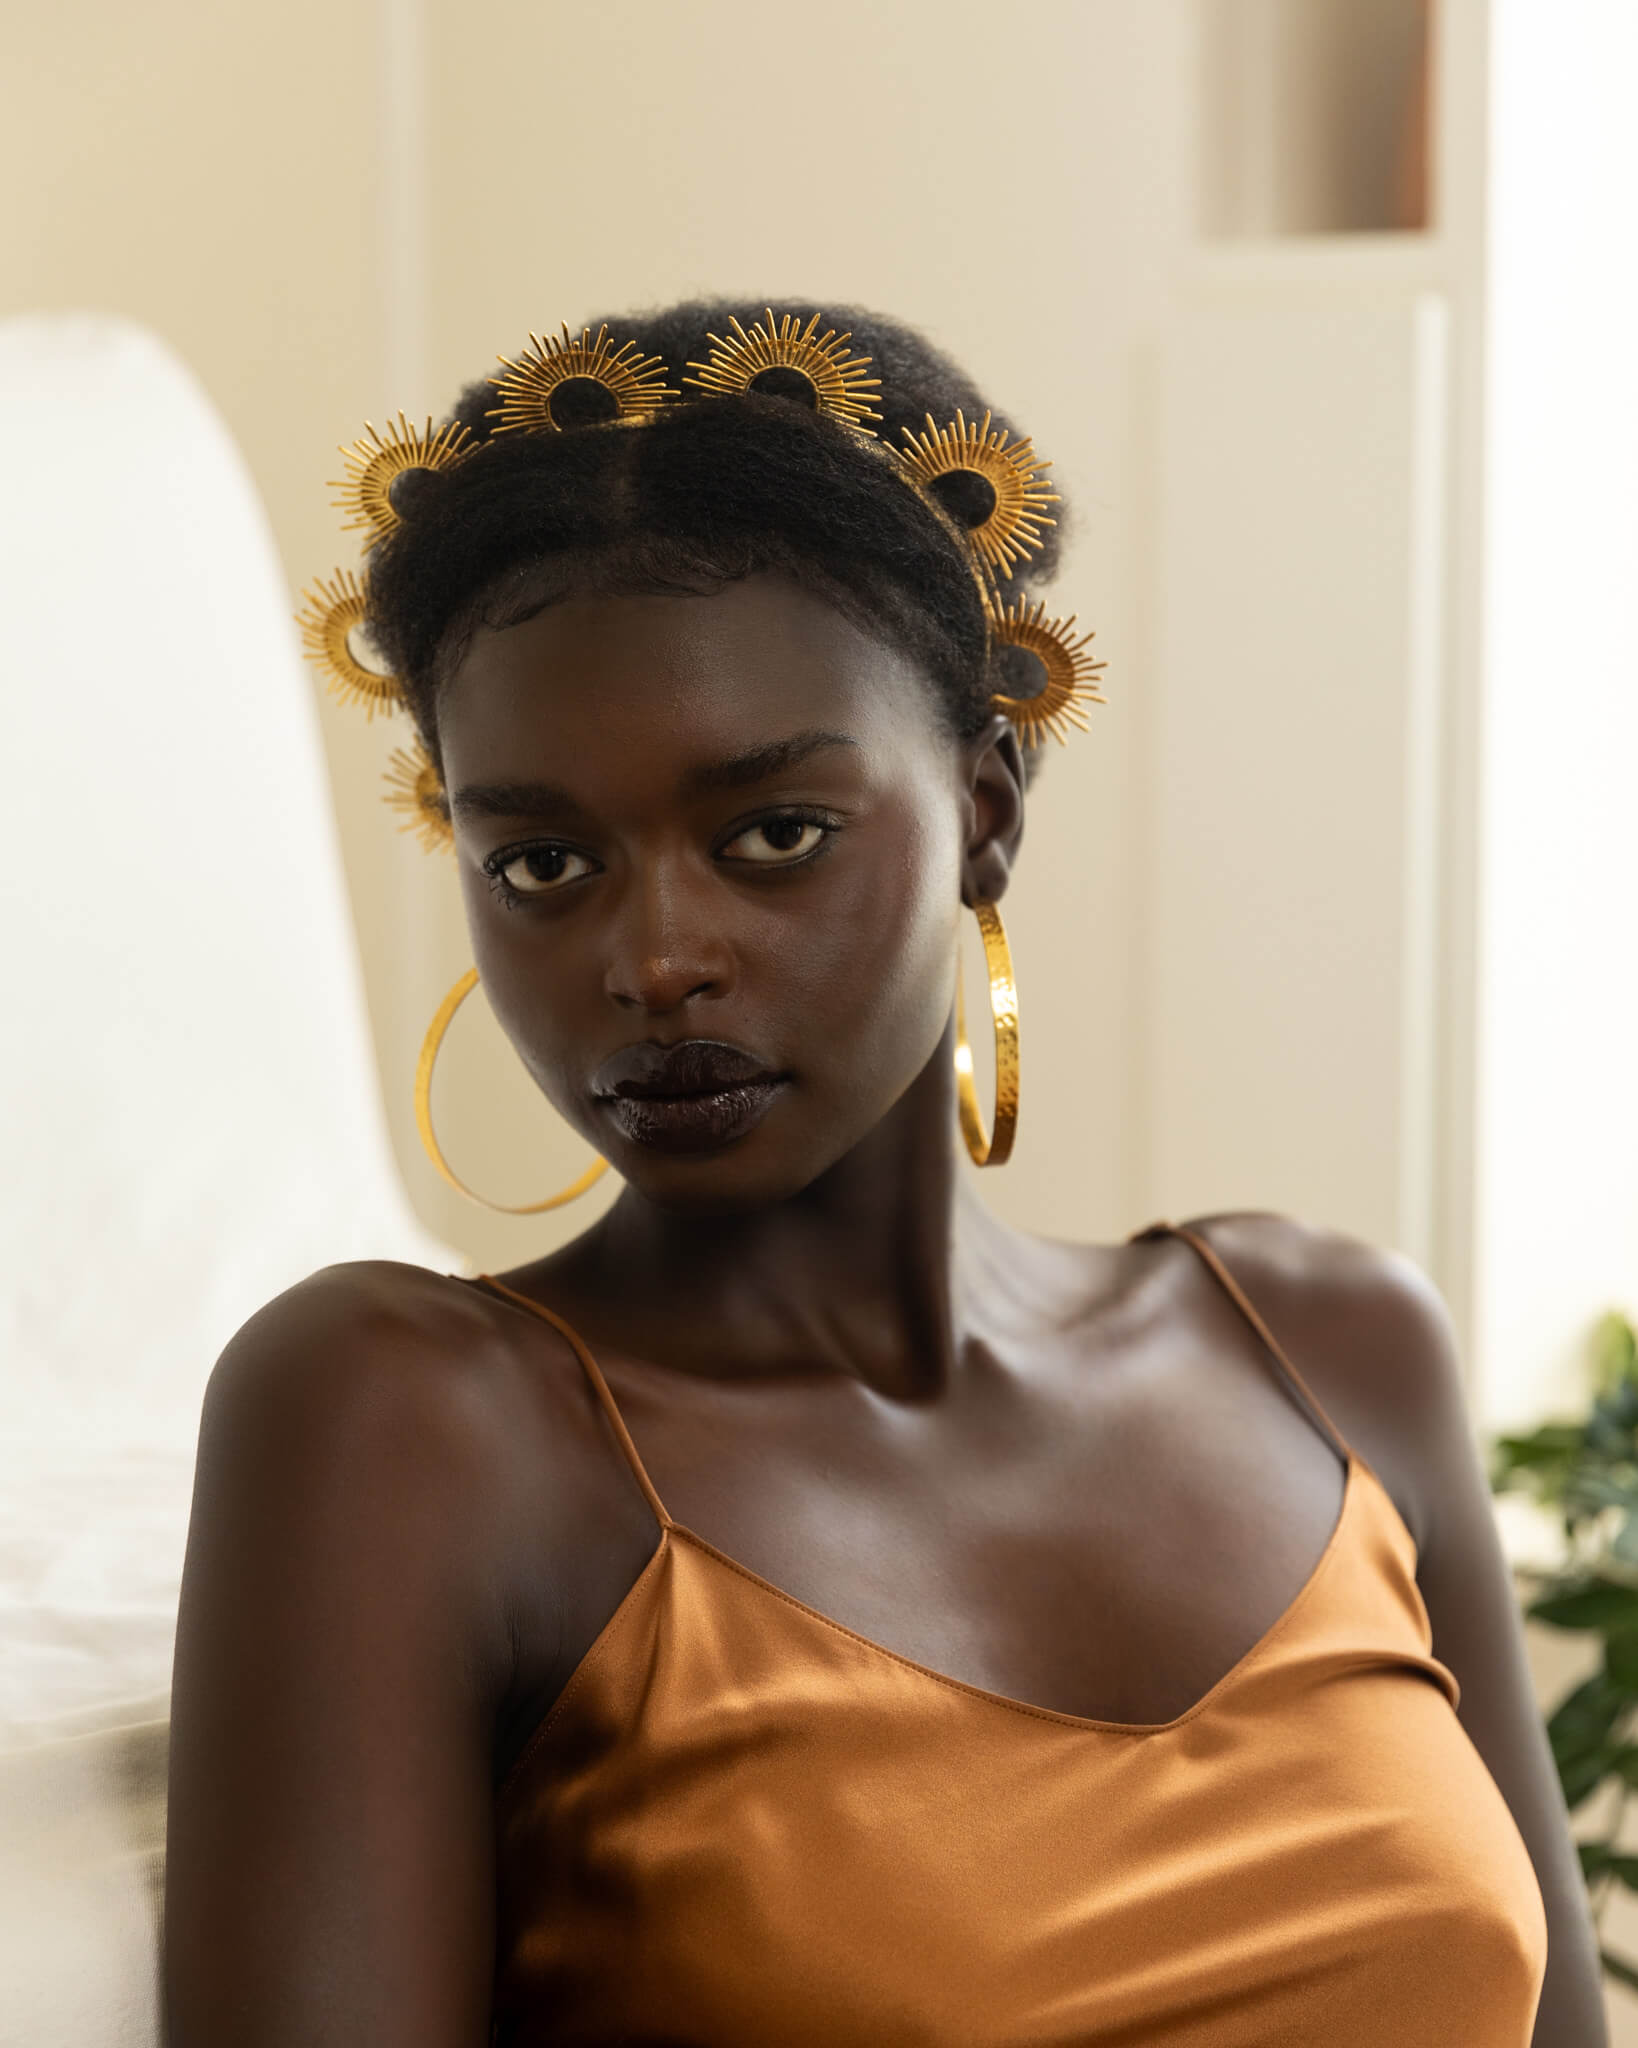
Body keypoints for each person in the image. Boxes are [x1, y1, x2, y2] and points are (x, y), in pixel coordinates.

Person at [161, 301, 1602, 2046]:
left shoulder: (1328, 1345)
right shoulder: (411, 1420)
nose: (654, 957)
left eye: (773, 834)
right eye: (544, 859)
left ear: (985, 810)